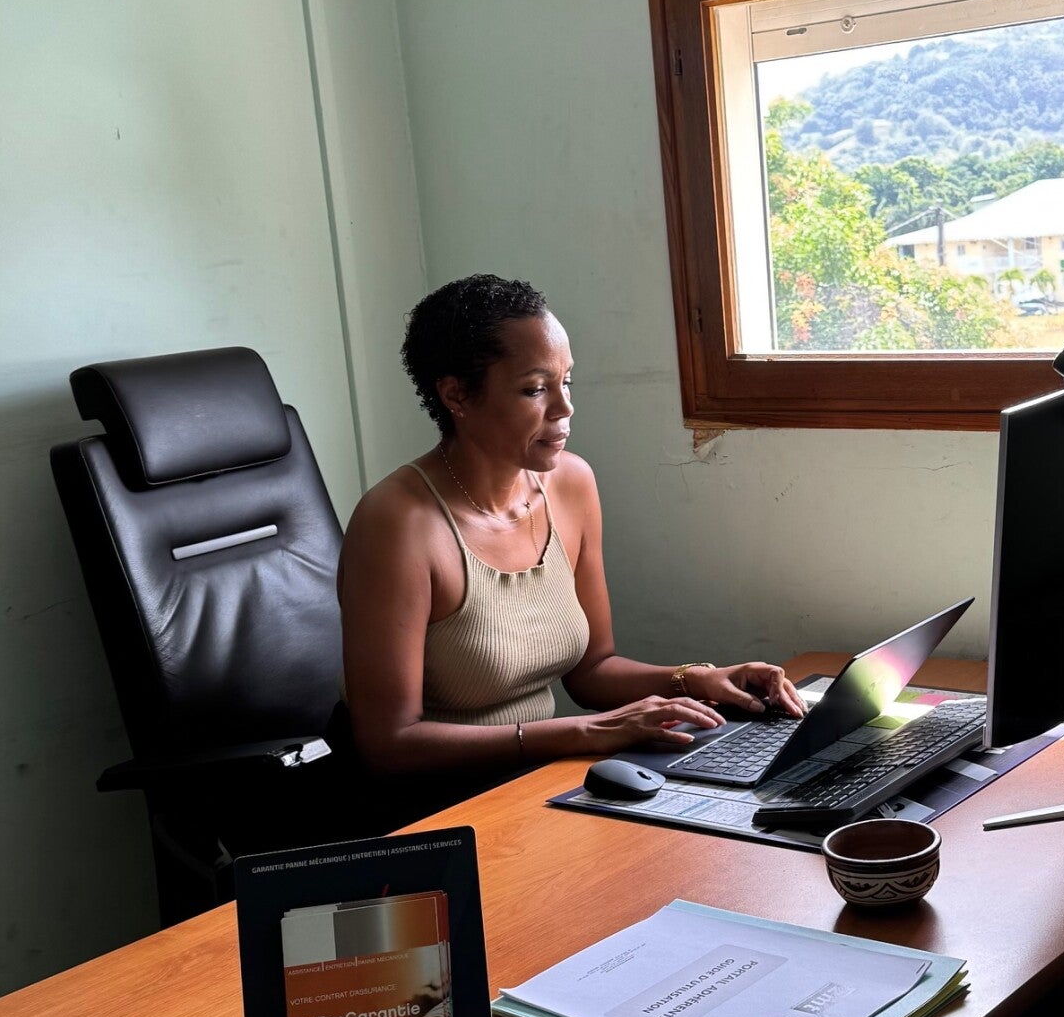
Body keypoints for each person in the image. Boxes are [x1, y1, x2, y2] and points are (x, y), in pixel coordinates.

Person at [338, 273, 804, 795]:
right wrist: (583, 733)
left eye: (567, 382)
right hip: (438, 804)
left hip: (538, 777)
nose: (564, 408)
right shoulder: (398, 524)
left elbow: (592, 670)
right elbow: (389, 745)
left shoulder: (571, 483)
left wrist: (695, 678)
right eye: (535, 389)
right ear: (457, 395)